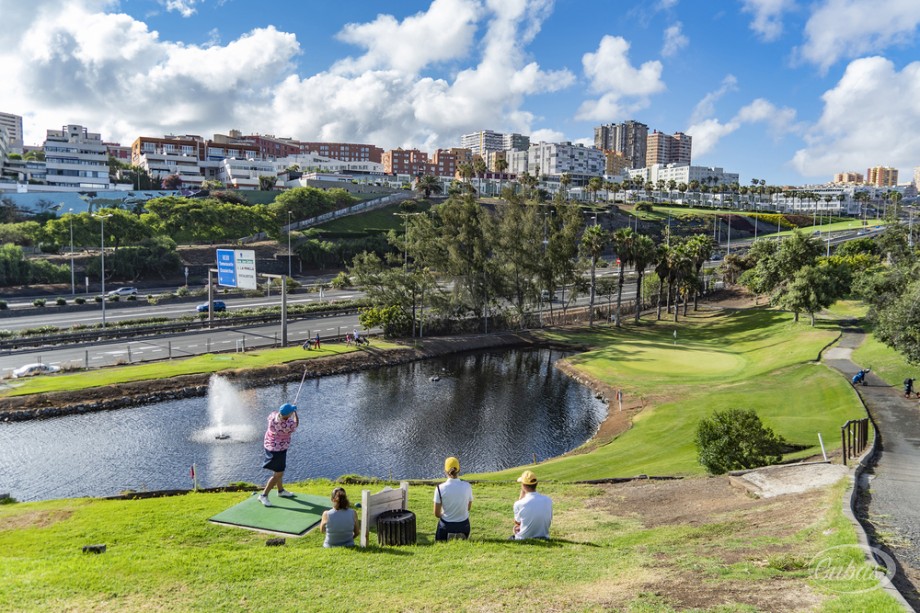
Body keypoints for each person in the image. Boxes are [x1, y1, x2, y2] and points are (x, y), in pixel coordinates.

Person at [258, 403, 299, 507]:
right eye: (291, 412)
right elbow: (296, 424)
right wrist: (295, 413)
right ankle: (264, 495)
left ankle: (280, 491)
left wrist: (290, 411)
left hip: (270, 445)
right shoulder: (288, 424)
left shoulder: (273, 415)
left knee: (279, 470)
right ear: (288, 414)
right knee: (278, 474)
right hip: (278, 450)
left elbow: (281, 416)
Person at [433, 456, 473, 541]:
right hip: (464, 526)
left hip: (446, 527)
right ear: (459, 470)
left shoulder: (440, 488)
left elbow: (436, 514)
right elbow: (468, 508)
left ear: (445, 471)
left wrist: (443, 514)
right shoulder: (467, 486)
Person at [511, 470, 552, 540]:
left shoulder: (518, 504)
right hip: (544, 536)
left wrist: (521, 497)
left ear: (523, 485)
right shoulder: (548, 500)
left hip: (523, 538)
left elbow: (517, 522)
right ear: (536, 484)